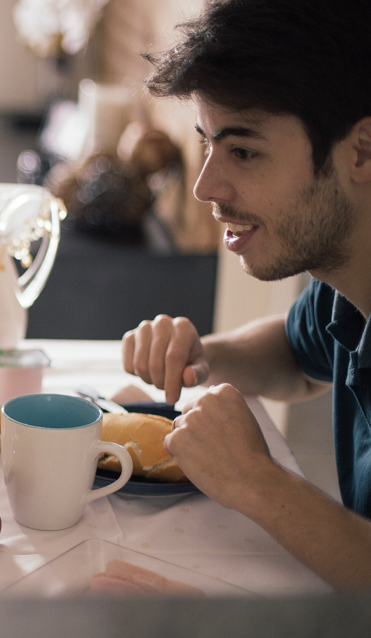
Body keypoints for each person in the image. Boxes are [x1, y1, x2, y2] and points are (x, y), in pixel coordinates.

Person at [121, 0, 371, 588]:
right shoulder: (346, 283)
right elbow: (294, 354)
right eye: (206, 143)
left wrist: (256, 482)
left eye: (244, 151)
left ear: (361, 151)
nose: (208, 186)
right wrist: (202, 355)